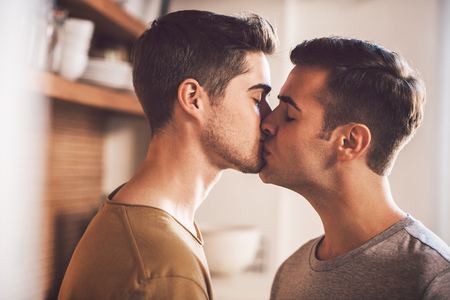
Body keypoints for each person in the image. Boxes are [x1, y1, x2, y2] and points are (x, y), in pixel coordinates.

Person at [58, 10, 277, 300]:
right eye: (257, 99)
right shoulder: (165, 268)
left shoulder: (138, 215)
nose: (270, 119)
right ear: (192, 99)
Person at [260, 37, 450, 299]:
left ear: (350, 142)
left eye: (290, 115)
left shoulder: (433, 279)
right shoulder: (290, 274)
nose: (267, 123)